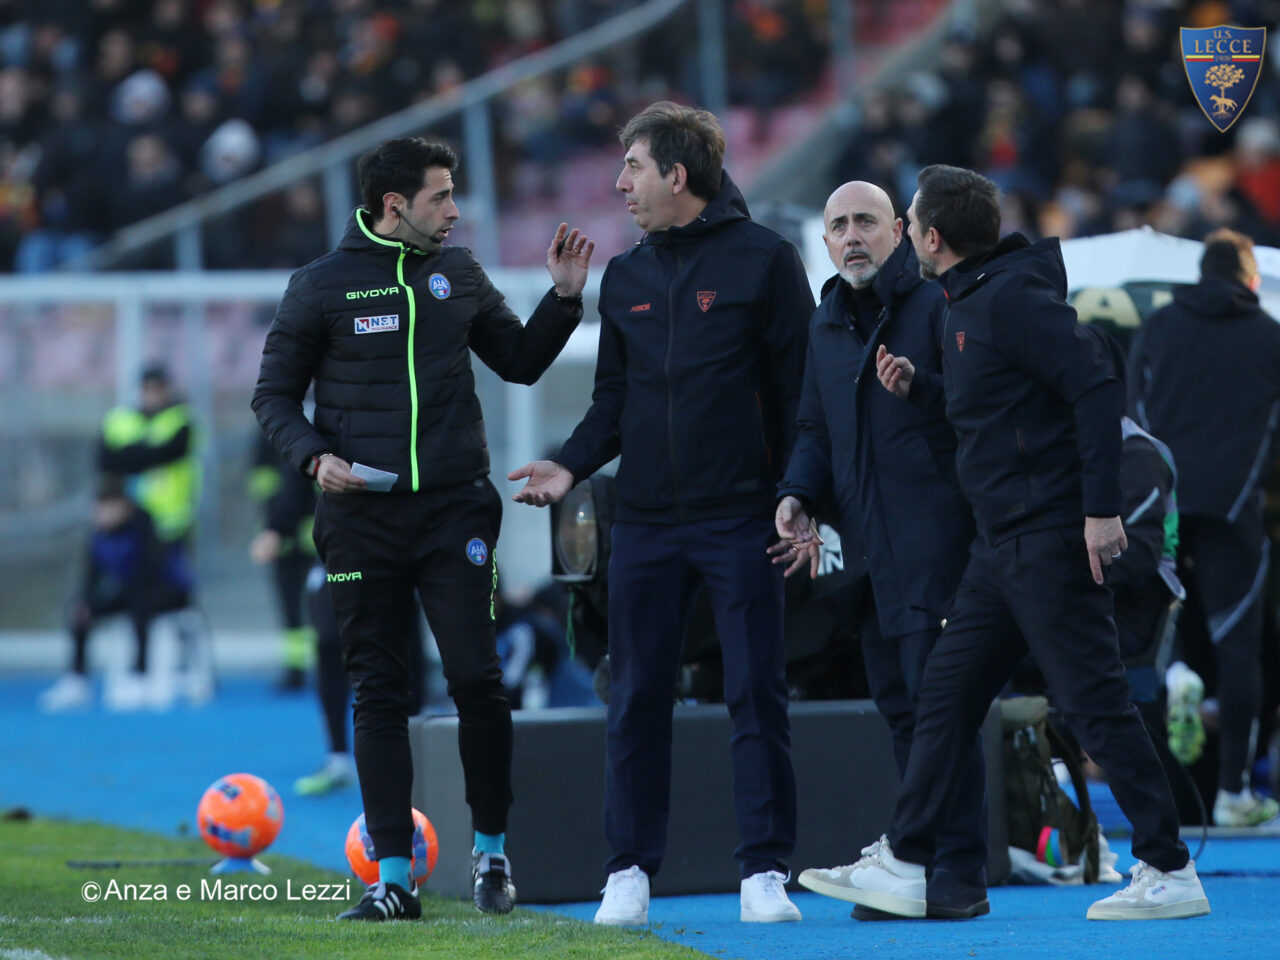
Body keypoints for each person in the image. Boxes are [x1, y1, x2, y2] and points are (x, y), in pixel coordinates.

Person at [853, 164, 1209, 921]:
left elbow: (1095, 384)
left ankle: (1168, 866)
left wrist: (1101, 510)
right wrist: (921, 387)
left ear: (933, 238)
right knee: (946, 696)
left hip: (1047, 535)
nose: (906, 232)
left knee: (1094, 704)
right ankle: (906, 858)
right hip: (1000, 545)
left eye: (910, 220)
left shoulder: (1010, 298)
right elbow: (999, 411)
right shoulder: (967, 304)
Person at [252, 136, 594, 921]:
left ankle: (492, 856)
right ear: (394, 205)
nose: (455, 210)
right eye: (441, 196)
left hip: (453, 512)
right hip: (359, 520)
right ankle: (393, 879)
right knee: (379, 690)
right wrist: (314, 458)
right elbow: (272, 397)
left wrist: (564, 299)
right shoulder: (320, 285)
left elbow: (519, 360)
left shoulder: (458, 273)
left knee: (476, 677)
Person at [508, 101, 813, 926]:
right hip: (642, 523)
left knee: (756, 694)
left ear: (678, 175)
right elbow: (612, 401)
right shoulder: (627, 276)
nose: (620, 184)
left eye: (633, 167)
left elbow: (800, 400)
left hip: (743, 517)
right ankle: (628, 872)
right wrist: (569, 465)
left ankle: (765, 871)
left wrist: (803, 498)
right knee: (635, 697)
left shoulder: (767, 262)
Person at [770, 181, 987, 919]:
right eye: (839, 226)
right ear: (825, 242)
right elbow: (815, 429)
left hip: (935, 545)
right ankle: (916, 869)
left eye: (866, 221)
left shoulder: (938, 305)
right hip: (862, 552)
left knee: (940, 709)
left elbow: (979, 408)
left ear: (900, 231)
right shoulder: (824, 322)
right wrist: (796, 494)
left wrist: (922, 386)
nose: (852, 236)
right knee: (902, 711)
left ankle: (959, 872)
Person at [1127, 229, 1280, 827]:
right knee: (1238, 647)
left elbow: (1132, 415)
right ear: (1250, 280)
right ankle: (1233, 791)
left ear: (1199, 274)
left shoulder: (1159, 326)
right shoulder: (1269, 335)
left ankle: (1178, 681)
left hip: (1161, 504)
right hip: (1234, 510)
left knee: (1155, 638)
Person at [97, 362, 210, 707]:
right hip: (131, 528)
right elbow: (105, 458)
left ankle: (192, 670)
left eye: (157, 388)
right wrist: (149, 455)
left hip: (171, 526)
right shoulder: (120, 419)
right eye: (147, 388)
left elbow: (170, 452)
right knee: (131, 596)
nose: (152, 395)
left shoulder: (182, 420)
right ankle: (137, 672)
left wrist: (133, 456)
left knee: (179, 599)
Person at [38, 477, 193, 712]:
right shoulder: (98, 536)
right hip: (128, 593)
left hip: (167, 592)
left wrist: (123, 594)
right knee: (79, 611)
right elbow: (91, 578)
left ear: (124, 507)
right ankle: (77, 680)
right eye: (100, 509)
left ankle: (140, 675)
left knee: (140, 608)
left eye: (110, 508)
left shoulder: (144, 528)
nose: (104, 514)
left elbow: (151, 572)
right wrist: (87, 602)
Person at [248, 432, 317, 691]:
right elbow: (265, 483)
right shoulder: (268, 435)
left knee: (324, 608)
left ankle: (320, 668)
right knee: (291, 607)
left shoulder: (283, 431)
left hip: (309, 539)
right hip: (287, 538)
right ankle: (296, 668)